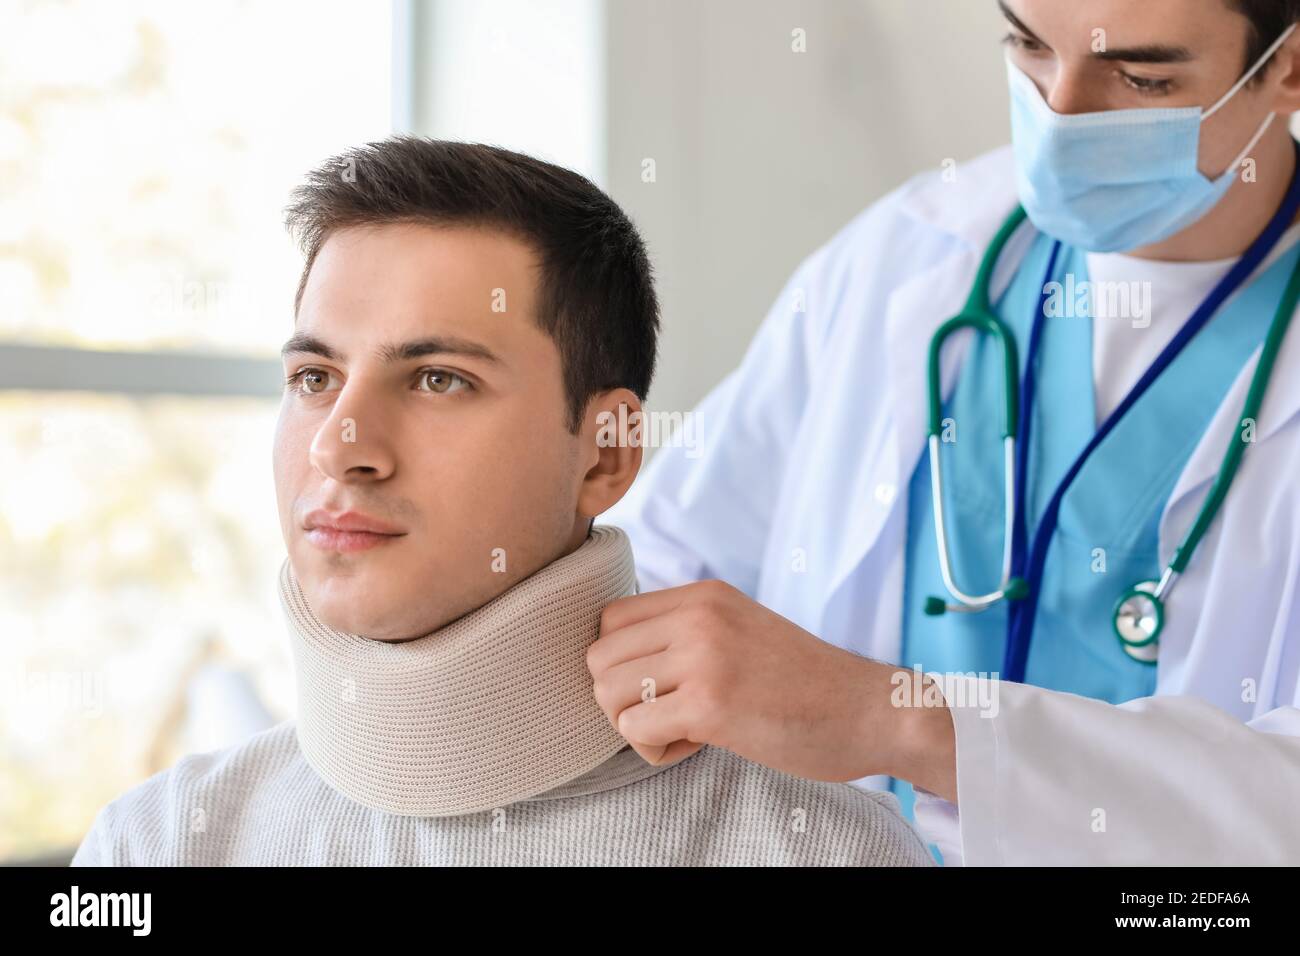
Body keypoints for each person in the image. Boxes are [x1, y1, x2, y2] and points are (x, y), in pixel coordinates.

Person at [70, 137, 933, 867]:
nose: (340, 443)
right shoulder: (153, 846)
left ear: (605, 453)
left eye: (438, 378)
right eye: (314, 378)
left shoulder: (817, 851)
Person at [595, 0, 1300, 865]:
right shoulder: (910, 253)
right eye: (1030, 45)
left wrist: (898, 721)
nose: (1061, 113)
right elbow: (660, 561)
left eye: (1141, 76)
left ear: (1288, 66)